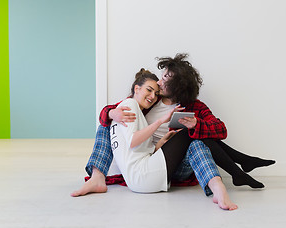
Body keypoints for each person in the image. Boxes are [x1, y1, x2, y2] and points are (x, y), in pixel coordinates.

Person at [73, 68, 238, 210]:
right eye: (152, 87)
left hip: (173, 164)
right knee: (105, 124)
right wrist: (111, 114)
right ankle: (97, 176)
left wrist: (195, 124)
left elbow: (221, 129)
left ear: (178, 85)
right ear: (137, 89)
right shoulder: (146, 102)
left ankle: (217, 185)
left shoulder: (194, 106)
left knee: (195, 140)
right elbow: (112, 116)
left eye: (164, 79)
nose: (159, 83)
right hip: (151, 167)